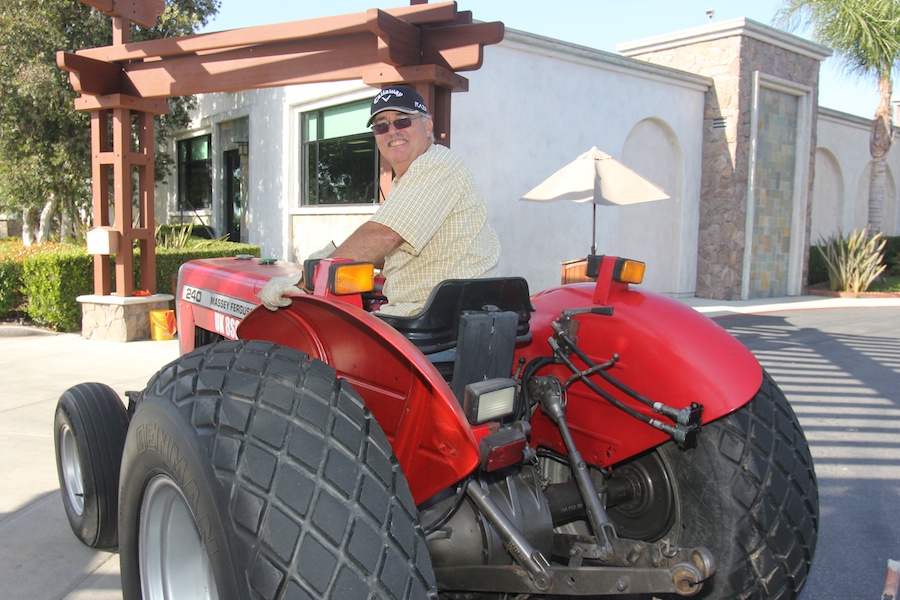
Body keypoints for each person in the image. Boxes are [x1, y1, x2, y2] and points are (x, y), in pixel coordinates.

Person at [259, 85, 500, 316]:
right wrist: (333, 258)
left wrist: (305, 282)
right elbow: (400, 252)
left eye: (402, 120)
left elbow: (384, 235)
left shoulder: (436, 165)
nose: (392, 131)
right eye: (381, 126)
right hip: (430, 310)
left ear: (428, 125)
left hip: (435, 316)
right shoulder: (409, 179)